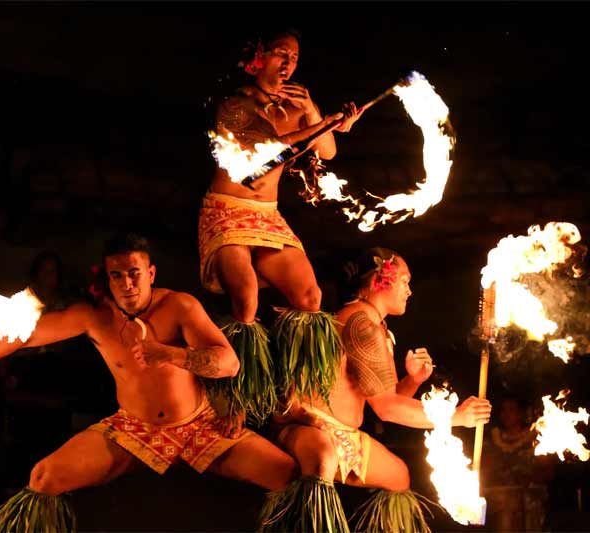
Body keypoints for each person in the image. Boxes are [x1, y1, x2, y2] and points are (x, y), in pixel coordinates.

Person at [0, 233, 299, 532]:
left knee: (288, 474)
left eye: (134, 273)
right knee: (43, 477)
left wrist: (168, 354)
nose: (127, 283)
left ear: (151, 273)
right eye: (117, 276)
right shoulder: (95, 318)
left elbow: (229, 363)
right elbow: (20, 335)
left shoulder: (179, 307)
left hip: (199, 424)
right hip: (133, 429)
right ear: (106, 279)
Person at [198, 27, 364, 429]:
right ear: (257, 57)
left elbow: (328, 151)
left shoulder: (295, 105)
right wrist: (322, 123)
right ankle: (234, 400)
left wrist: (318, 115)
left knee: (310, 296)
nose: (288, 64)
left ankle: (297, 399)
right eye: (279, 54)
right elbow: (269, 154)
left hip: (268, 215)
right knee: (247, 301)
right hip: (228, 210)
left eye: (294, 58)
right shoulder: (234, 104)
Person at [266, 247, 493, 532]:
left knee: (398, 477)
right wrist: (457, 416)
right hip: (310, 427)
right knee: (330, 463)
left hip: (342, 433)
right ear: (379, 280)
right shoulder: (360, 324)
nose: (409, 291)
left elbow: (387, 401)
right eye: (405, 281)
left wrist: (413, 380)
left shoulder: (376, 325)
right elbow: (386, 409)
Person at [482, 395, 553, 532]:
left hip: (531, 503)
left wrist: (529, 479)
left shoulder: (536, 440)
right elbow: (485, 471)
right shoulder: (492, 441)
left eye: (511, 410)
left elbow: (549, 471)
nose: (506, 414)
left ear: (521, 413)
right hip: (500, 505)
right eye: (503, 410)